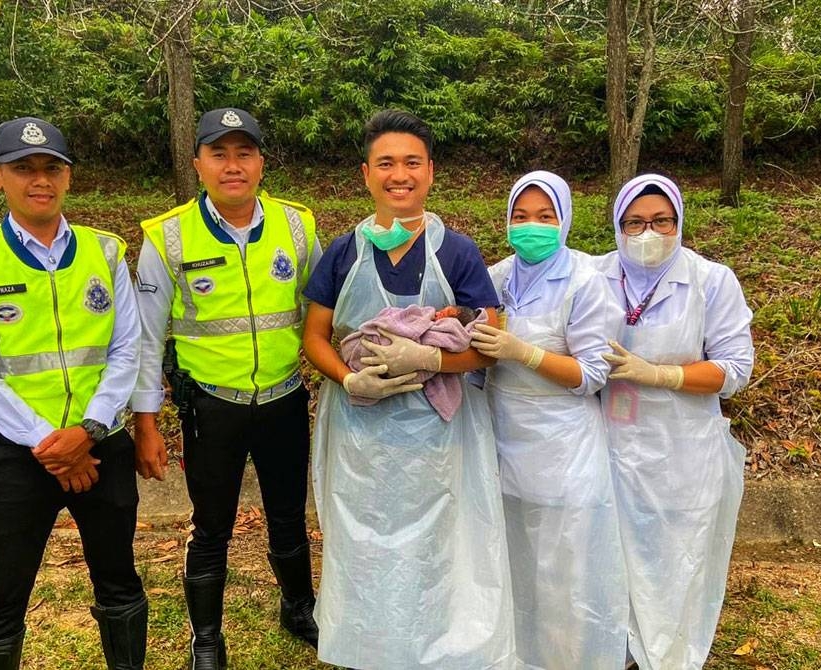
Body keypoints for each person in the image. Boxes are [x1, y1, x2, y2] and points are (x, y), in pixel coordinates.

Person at [302, 109, 515, 669]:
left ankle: (439, 649)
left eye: (412, 162)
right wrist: (349, 377)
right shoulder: (344, 253)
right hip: (361, 432)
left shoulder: (456, 252)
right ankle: (370, 649)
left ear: (431, 171)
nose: (400, 175)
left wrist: (432, 357)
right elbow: (315, 337)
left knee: (437, 542)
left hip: (438, 437)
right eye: (386, 163)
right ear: (366, 174)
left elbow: (488, 342)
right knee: (364, 541)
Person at [0, 117, 146, 669]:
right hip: (18, 453)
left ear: (68, 176)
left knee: (119, 581)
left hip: (100, 445)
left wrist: (88, 431)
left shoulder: (105, 252)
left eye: (52, 167)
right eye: (23, 168)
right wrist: (49, 443)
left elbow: (127, 349)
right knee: (5, 595)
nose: (39, 180)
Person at [131, 107, 322, 668]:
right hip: (212, 408)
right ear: (198, 164)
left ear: (261, 163)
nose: (232, 166)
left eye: (244, 153)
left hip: (285, 399)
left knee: (289, 515)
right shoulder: (168, 236)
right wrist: (146, 421)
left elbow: (324, 309)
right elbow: (146, 338)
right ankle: (207, 639)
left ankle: (299, 608)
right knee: (212, 526)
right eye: (219, 154)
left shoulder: (296, 225)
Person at [469, 171, 628, 669]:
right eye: (520, 216)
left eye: (544, 216)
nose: (531, 226)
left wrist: (524, 352)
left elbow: (592, 374)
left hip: (564, 444)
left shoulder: (586, 280)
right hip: (503, 430)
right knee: (514, 559)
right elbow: (474, 357)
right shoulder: (494, 277)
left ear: (565, 220)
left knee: (566, 566)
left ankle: (573, 657)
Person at [596, 174, 754, 669]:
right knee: (609, 558)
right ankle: (615, 654)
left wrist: (662, 374)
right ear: (618, 226)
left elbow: (734, 369)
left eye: (661, 221)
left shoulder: (711, 281)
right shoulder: (594, 275)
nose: (649, 233)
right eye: (635, 222)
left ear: (679, 222)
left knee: (672, 560)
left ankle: (665, 656)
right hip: (606, 442)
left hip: (681, 449)